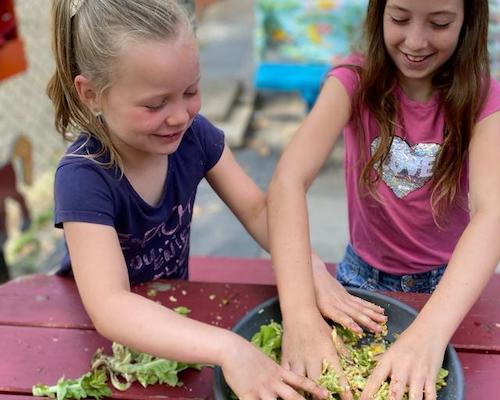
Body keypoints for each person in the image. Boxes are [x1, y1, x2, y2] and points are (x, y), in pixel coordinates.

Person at [47, 1, 384, 398]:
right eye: (155, 104)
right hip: (92, 348)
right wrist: (229, 349)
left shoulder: (195, 136)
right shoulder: (83, 177)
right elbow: (110, 305)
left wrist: (309, 268)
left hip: (176, 324)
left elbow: (259, 210)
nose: (179, 116)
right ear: (91, 94)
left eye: (191, 91)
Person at [267, 0, 500, 399]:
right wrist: (298, 315)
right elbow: (287, 181)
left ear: (469, 19)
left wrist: (430, 333)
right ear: (378, 12)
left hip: (446, 289)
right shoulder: (352, 80)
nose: (415, 41)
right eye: (399, 19)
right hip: (358, 280)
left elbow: (495, 213)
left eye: (439, 23)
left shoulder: (484, 98)